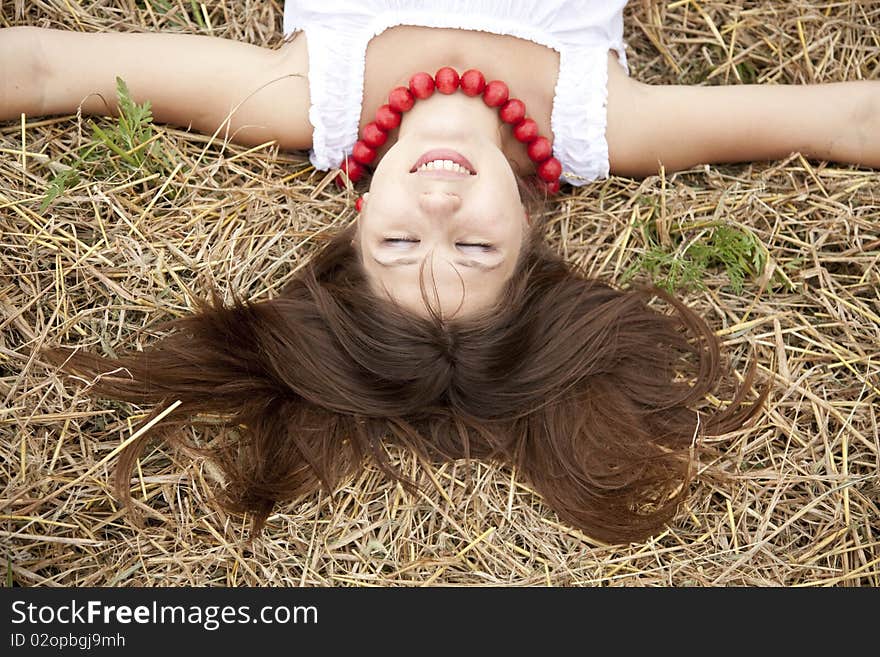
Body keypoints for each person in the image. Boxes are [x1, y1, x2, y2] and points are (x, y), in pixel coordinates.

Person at [2, 1, 875, 543]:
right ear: (530, 232)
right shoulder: (603, 122)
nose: (439, 215)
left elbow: (42, 70)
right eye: (474, 251)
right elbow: (842, 119)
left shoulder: (307, 97)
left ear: (358, 223)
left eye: (399, 248)